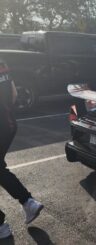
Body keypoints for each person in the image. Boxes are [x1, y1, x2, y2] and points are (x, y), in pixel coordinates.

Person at [0, 61, 43, 239]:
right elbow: (14, 93)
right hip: (8, 124)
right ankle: (28, 202)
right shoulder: (2, 63)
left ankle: (1, 227)